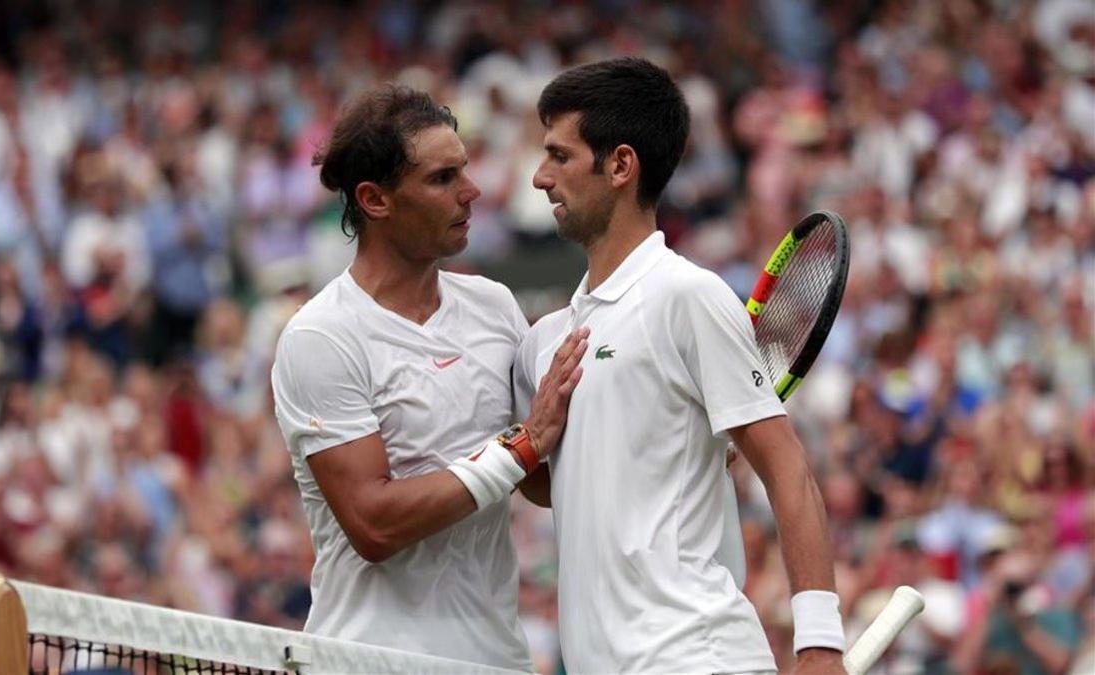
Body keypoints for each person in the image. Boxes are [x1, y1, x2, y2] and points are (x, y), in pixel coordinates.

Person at [513, 58, 846, 674]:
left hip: (696, 656)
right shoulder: (544, 343)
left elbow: (787, 469)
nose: (539, 178)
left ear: (619, 165)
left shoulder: (685, 296)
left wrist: (820, 646)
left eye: (559, 157)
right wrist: (530, 441)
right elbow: (552, 487)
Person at [270, 85, 585, 670]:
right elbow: (375, 524)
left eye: (463, 170)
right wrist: (519, 448)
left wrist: (665, 445)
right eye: (442, 179)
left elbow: (538, 482)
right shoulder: (320, 337)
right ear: (375, 199)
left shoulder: (494, 306)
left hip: (494, 661)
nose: (471, 192)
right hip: (368, 662)